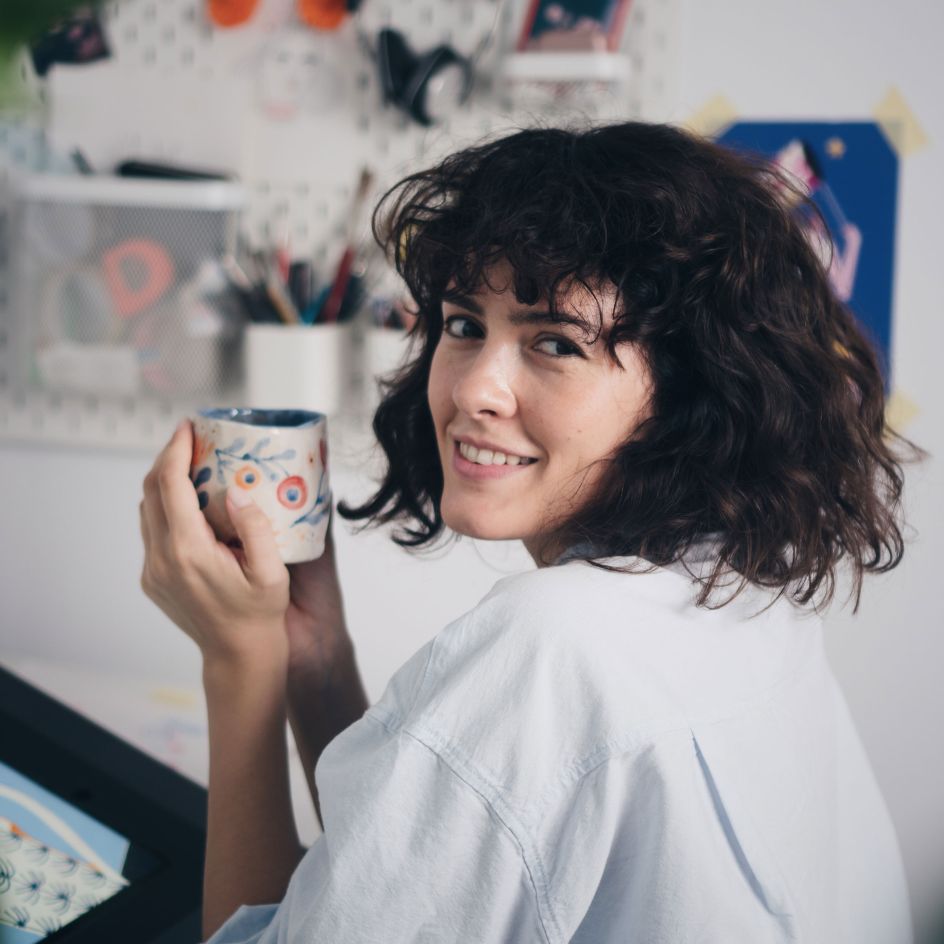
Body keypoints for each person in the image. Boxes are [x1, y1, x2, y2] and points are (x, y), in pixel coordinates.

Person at [138, 121, 922, 943]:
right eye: (464, 325)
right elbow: (402, 876)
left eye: (555, 343)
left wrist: (240, 664)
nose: (474, 389)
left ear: (690, 393)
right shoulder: (744, 590)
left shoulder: (553, 642)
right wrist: (314, 657)